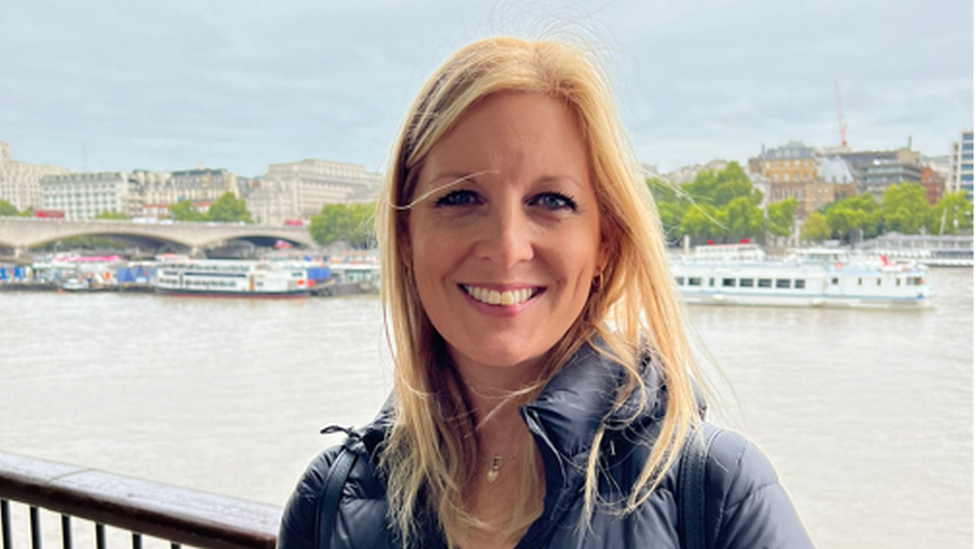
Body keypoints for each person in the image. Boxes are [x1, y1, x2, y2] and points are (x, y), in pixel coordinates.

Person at [278, 36, 814, 549]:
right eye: (461, 197)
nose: (508, 247)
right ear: (404, 237)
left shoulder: (719, 497)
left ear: (605, 241)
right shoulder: (328, 502)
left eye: (551, 201)